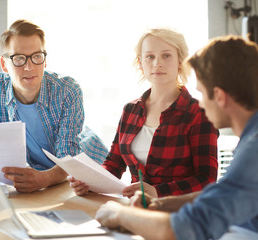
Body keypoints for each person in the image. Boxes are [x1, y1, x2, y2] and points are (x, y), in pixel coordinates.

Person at [95, 35, 258, 240]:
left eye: (203, 94)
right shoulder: (251, 138)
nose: (202, 104)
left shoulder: (254, 151)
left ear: (219, 96)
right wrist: (161, 204)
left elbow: (186, 229)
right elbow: (224, 194)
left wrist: (121, 214)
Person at [68, 27, 218, 198]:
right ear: (141, 62)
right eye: (150, 56)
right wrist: (89, 182)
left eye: (166, 55)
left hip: (180, 211)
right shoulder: (130, 110)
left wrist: (157, 192)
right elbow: (114, 164)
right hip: (137, 207)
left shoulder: (200, 113)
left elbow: (207, 179)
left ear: (180, 61)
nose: (157, 63)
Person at [0, 19, 108, 193]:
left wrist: (43, 179)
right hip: (41, 174)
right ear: (4, 65)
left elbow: (69, 158)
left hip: (87, 172)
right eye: (19, 58)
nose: (29, 67)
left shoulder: (68, 90)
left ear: (45, 60)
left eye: (36, 57)